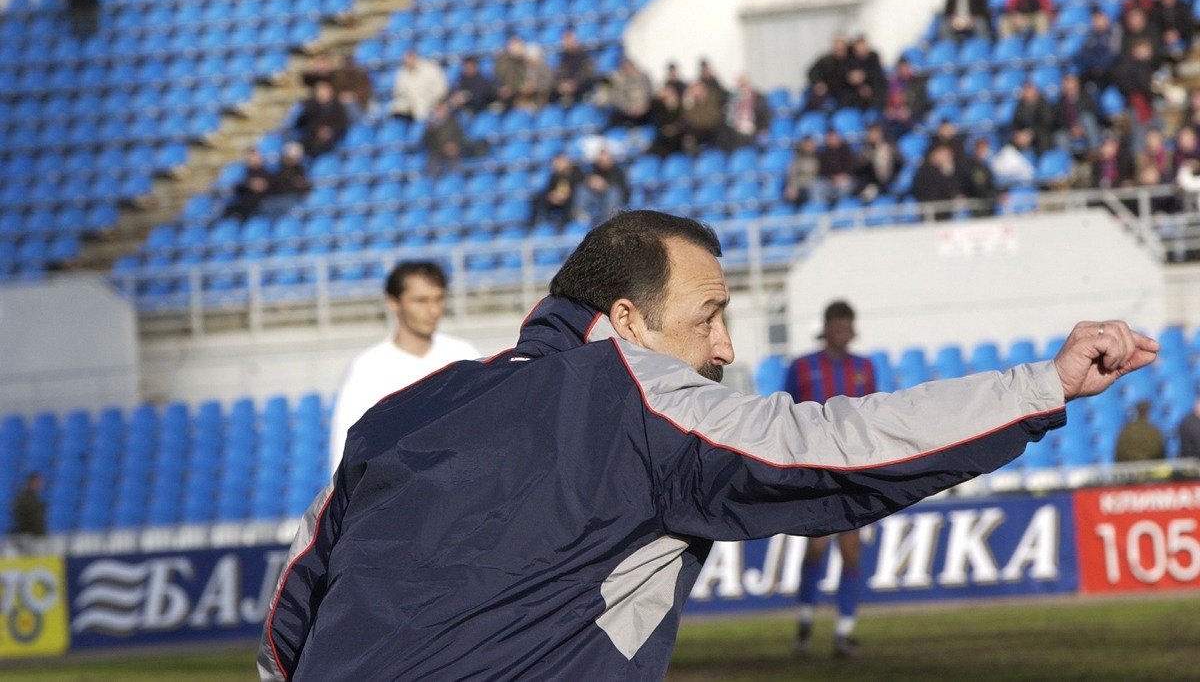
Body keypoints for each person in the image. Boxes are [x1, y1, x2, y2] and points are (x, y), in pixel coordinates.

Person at [259, 209, 1157, 681]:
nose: (725, 347)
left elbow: (287, 612)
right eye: (710, 316)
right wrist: (1041, 385)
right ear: (625, 323)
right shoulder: (636, 393)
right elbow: (830, 447)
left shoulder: (408, 410)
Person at [784, 301, 875, 659]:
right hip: (816, 470)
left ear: (852, 329)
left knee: (851, 551)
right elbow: (786, 412)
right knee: (817, 546)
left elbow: (874, 414)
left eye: (847, 324)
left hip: (853, 472)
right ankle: (805, 625)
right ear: (826, 327)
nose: (842, 331)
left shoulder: (864, 368)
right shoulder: (802, 367)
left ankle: (843, 634)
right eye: (836, 324)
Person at [328, 261, 479, 475]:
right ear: (393, 302)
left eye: (439, 298)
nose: (433, 309)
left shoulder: (464, 355)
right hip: (396, 494)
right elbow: (345, 447)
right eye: (421, 300)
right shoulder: (367, 369)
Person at [529, 152, 585, 230]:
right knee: (540, 196)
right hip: (557, 201)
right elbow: (549, 189)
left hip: (570, 200)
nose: (555, 165)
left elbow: (579, 188)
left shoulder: (576, 172)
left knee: (573, 199)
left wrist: (564, 197)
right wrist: (552, 196)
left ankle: (565, 223)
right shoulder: (555, 175)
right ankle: (535, 221)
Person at [295, 80, 349, 157]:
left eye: (325, 91)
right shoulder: (310, 105)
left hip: (332, 137)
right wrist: (318, 130)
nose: (322, 94)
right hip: (312, 136)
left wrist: (330, 131)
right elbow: (302, 123)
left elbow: (342, 123)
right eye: (320, 91)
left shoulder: (338, 107)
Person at [391, 50, 449, 122]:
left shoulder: (431, 69)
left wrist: (432, 101)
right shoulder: (402, 72)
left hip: (430, 105)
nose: (407, 63)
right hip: (409, 108)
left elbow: (441, 89)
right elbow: (399, 91)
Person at [420, 99, 474, 176]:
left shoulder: (455, 124)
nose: (441, 112)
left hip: (453, 153)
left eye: (443, 109)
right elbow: (425, 142)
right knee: (432, 166)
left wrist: (455, 146)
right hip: (437, 153)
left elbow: (461, 138)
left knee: (455, 166)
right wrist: (430, 131)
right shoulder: (431, 126)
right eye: (439, 110)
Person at [579, 146, 630, 223]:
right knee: (582, 189)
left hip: (614, 199)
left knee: (613, 192)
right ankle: (581, 215)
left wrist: (604, 185)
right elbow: (587, 179)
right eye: (600, 160)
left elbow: (620, 188)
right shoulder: (595, 169)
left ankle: (610, 216)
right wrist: (590, 181)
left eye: (605, 160)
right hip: (597, 197)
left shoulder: (617, 171)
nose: (603, 162)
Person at [226, 147, 275, 220]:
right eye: (252, 157)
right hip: (243, 205)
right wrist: (249, 184)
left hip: (260, 205)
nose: (256, 158)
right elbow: (237, 187)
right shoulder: (244, 172)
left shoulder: (266, 173)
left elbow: (271, 187)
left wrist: (262, 185)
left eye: (257, 156)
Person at [551, 29, 597, 105]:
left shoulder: (584, 56)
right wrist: (561, 84)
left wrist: (575, 84)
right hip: (566, 89)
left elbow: (587, 73)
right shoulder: (563, 57)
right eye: (565, 41)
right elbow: (559, 73)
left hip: (581, 89)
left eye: (570, 40)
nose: (568, 43)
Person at [608, 56, 654, 127]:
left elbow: (650, 91)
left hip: (645, 109)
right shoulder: (620, 81)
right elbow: (617, 97)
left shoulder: (644, 77)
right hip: (628, 112)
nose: (628, 69)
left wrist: (644, 106)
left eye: (630, 67)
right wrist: (629, 108)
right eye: (625, 67)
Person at [784, 134, 820, 207]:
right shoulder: (797, 159)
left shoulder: (819, 157)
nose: (809, 147)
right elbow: (792, 174)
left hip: (814, 185)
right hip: (800, 186)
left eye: (811, 144)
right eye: (807, 145)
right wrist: (792, 186)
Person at [11, 472, 47, 542]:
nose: (39, 484)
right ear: (31, 482)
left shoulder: (36, 499)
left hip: (37, 535)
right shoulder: (24, 499)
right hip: (28, 536)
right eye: (37, 482)